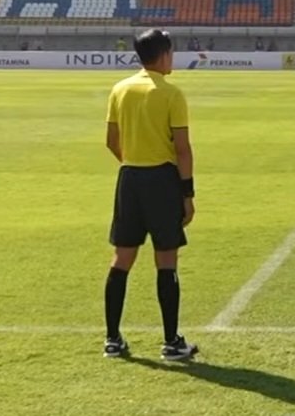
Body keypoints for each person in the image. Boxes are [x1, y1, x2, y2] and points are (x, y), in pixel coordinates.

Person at [101, 29, 197, 361]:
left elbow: (112, 141)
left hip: (129, 178)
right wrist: (187, 194)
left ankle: (112, 339)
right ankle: (171, 342)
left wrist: (134, 161)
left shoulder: (120, 89)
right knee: (166, 260)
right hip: (162, 181)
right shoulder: (171, 94)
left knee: (122, 259)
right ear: (163, 55)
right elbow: (182, 150)